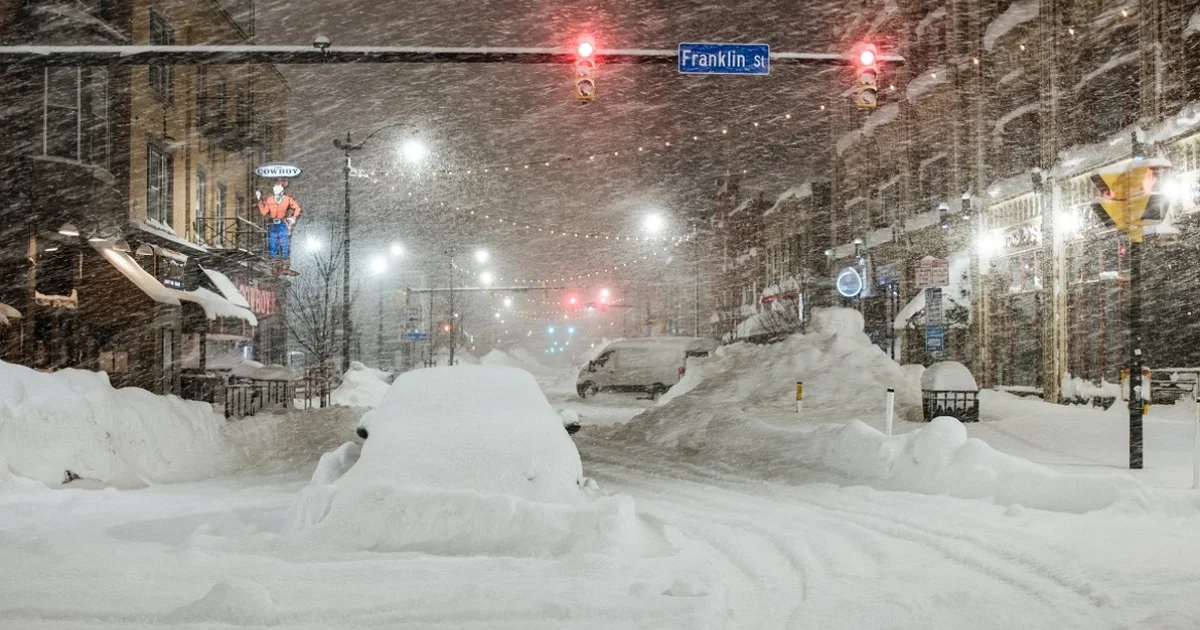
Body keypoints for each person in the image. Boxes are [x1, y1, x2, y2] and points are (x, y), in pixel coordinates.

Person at [256, 179, 302, 275]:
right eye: (275, 188)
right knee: (273, 245)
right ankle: (275, 267)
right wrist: (260, 200)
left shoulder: (288, 199)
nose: (276, 190)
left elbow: (298, 208)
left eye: (279, 188)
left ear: (282, 190)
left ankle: (285, 267)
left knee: (284, 245)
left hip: (282, 224)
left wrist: (293, 218)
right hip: (272, 224)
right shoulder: (269, 200)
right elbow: (264, 212)